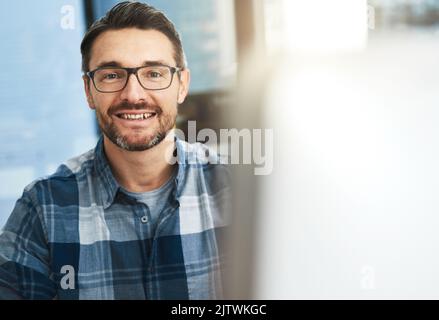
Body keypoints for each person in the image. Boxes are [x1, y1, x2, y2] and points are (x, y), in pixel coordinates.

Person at [0, 1, 230, 300]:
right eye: (111, 75)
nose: (133, 95)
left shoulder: (237, 189)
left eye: (154, 73)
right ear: (88, 91)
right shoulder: (44, 208)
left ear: (182, 85)